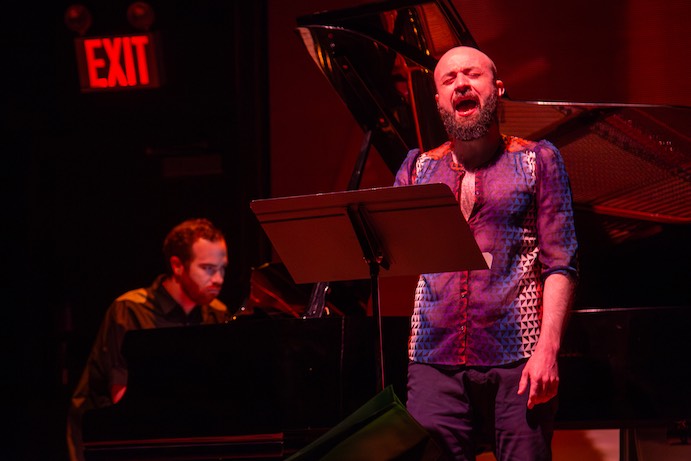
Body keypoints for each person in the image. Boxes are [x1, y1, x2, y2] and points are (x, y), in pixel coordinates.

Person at [394, 46, 579, 460]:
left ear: (496, 88)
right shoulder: (416, 169)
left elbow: (561, 263)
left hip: (518, 357)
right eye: (448, 79)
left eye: (471, 74)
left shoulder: (538, 161)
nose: (461, 83)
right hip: (432, 357)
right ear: (439, 100)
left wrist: (548, 349)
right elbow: (395, 253)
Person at [66, 218, 230, 461]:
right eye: (207, 268)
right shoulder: (130, 309)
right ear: (177, 266)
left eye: (223, 268)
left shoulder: (217, 312)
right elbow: (122, 399)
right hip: (116, 444)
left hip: (180, 441)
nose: (218, 279)